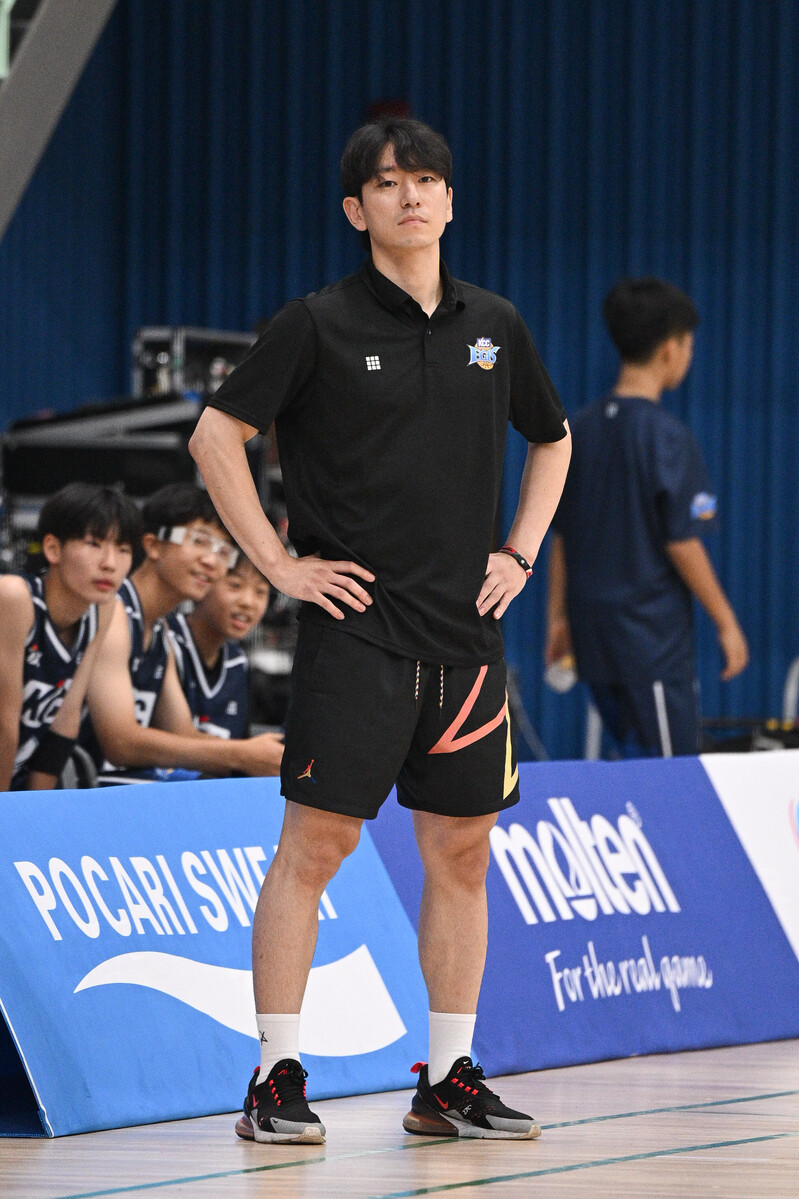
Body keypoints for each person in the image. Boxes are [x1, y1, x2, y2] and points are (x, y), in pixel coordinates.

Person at [189, 116, 571, 1146]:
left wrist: (519, 552)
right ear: (356, 209)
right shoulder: (316, 323)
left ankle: (446, 1080)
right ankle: (274, 1076)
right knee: (314, 848)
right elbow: (215, 435)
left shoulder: (495, 323)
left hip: (467, 641)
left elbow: (552, 437)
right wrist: (277, 566)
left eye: (426, 179)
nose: (411, 195)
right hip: (356, 635)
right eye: (389, 182)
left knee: (462, 854)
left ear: (449, 200)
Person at [546, 277, 748, 758]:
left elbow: (560, 536)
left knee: (630, 766)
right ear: (669, 349)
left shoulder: (577, 430)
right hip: (650, 642)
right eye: (689, 345)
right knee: (670, 770)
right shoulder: (665, 435)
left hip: (593, 637)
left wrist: (557, 618)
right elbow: (683, 541)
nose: (690, 356)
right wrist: (726, 621)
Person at [81, 482, 284, 784]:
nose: (211, 561)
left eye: (223, 551)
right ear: (153, 545)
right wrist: (240, 754)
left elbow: (183, 733)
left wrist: (267, 754)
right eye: (199, 541)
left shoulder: (159, 630)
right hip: (77, 793)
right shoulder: (114, 612)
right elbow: (120, 743)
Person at [0, 483, 139, 791]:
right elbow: (3, 726)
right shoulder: (13, 596)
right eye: (94, 543)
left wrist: (38, 807)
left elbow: (66, 718)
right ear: (53, 548)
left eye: (123, 549)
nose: (110, 563)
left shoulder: (103, 610)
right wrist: (8, 812)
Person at [168, 553, 270, 740]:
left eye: (260, 591)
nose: (248, 602)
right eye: (235, 585)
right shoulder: (166, 641)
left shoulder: (238, 663)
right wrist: (245, 752)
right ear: (204, 581)